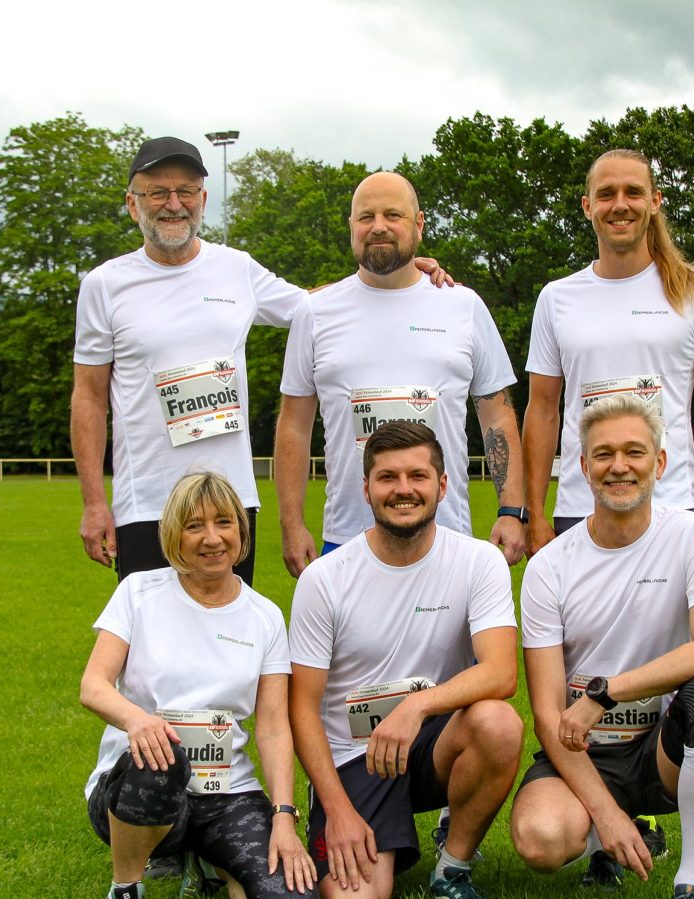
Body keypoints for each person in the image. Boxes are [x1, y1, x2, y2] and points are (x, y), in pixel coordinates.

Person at [521, 147, 694, 886]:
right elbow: (542, 408)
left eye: (633, 191)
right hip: (581, 510)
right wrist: (534, 512)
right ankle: (608, 822)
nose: (620, 203)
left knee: (692, 677)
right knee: (582, 681)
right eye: (606, 193)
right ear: (587, 207)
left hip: (671, 508)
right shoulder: (559, 297)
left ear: (655, 200)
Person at [72, 138, 449, 585]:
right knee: (152, 646)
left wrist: (399, 272)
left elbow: (313, 306)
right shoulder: (105, 285)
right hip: (147, 504)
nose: (174, 204)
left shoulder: (236, 268)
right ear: (133, 204)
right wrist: (95, 501)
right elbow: (89, 397)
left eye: (186, 191)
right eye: (157, 192)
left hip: (231, 505)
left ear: (203, 200)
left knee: (229, 638)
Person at [511, 395, 694, 899]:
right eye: (604, 454)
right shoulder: (549, 567)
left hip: (662, 749)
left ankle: (693, 890)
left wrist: (606, 692)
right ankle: (602, 842)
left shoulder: (693, 536)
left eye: (634, 452)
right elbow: (547, 712)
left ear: (660, 464)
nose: (619, 466)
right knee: (540, 841)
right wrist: (607, 814)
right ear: (584, 466)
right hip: (580, 746)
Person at [287, 422, 522, 899]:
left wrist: (416, 706)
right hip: (355, 754)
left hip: (430, 742)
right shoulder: (324, 580)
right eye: (387, 477)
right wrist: (339, 810)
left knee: (498, 722)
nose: (403, 489)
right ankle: (355, 822)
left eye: (418, 475)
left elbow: (502, 673)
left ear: (442, 485)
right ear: (366, 487)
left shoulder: (479, 562)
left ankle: (452, 869)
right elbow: (301, 707)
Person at [80, 471, 319, 899]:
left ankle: (211, 860)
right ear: (174, 534)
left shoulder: (265, 616)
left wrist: (284, 817)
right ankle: (124, 894)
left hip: (226, 795)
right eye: (194, 526)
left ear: (240, 531)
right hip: (139, 785)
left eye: (224, 522)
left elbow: (272, 729)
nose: (212, 539)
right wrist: (137, 720)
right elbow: (93, 685)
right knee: (161, 762)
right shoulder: (139, 593)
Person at [275, 171, 526, 579]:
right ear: (351, 227)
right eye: (366, 217)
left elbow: (497, 415)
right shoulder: (315, 313)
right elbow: (294, 427)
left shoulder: (463, 306)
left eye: (393, 215)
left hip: (448, 538)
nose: (378, 227)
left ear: (419, 224)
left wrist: (512, 511)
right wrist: (291, 523)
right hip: (348, 541)